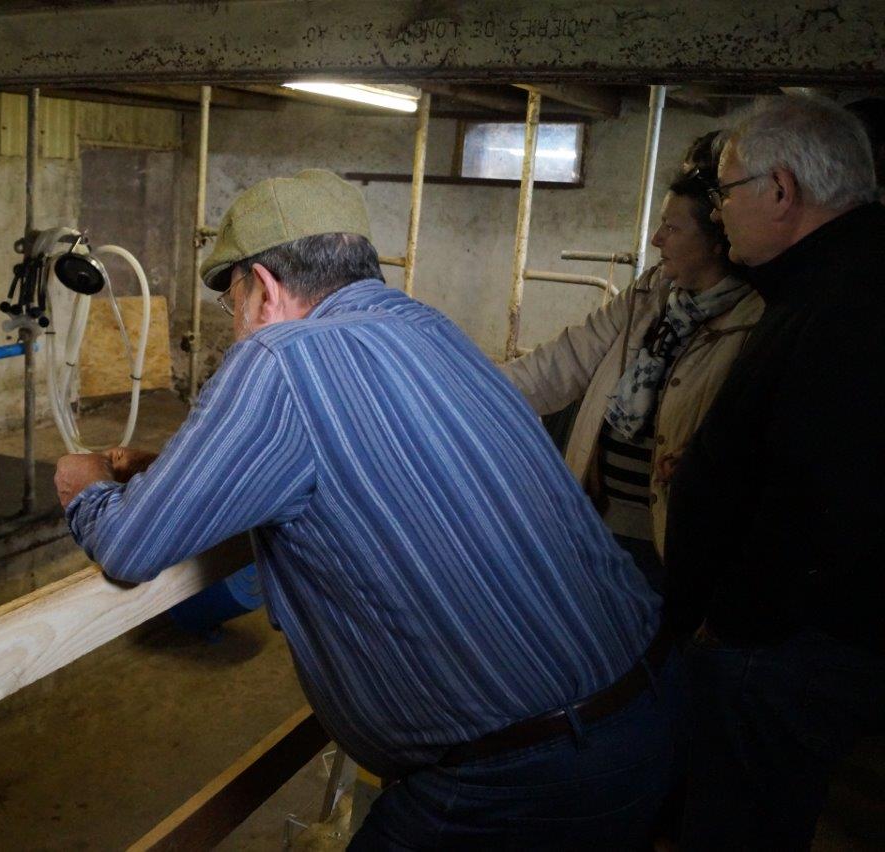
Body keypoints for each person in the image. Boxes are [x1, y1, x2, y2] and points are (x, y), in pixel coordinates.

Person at [55, 169, 680, 849]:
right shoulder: (430, 330)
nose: (236, 323)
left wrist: (83, 480)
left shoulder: (279, 357)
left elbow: (132, 544)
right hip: (642, 713)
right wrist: (181, 473)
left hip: (512, 781)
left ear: (263, 289)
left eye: (231, 298)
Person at [664, 94, 885, 849]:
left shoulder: (843, 306)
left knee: (739, 828)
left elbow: (829, 503)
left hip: (782, 653)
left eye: (725, 195)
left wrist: (735, 624)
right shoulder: (832, 285)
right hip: (797, 642)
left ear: (781, 191)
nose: (717, 215)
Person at [501, 143, 762, 593]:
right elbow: (560, 363)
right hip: (599, 518)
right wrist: (460, 388)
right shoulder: (649, 297)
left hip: (672, 540)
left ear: (716, 240)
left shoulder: (753, 320)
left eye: (671, 227)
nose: (657, 240)